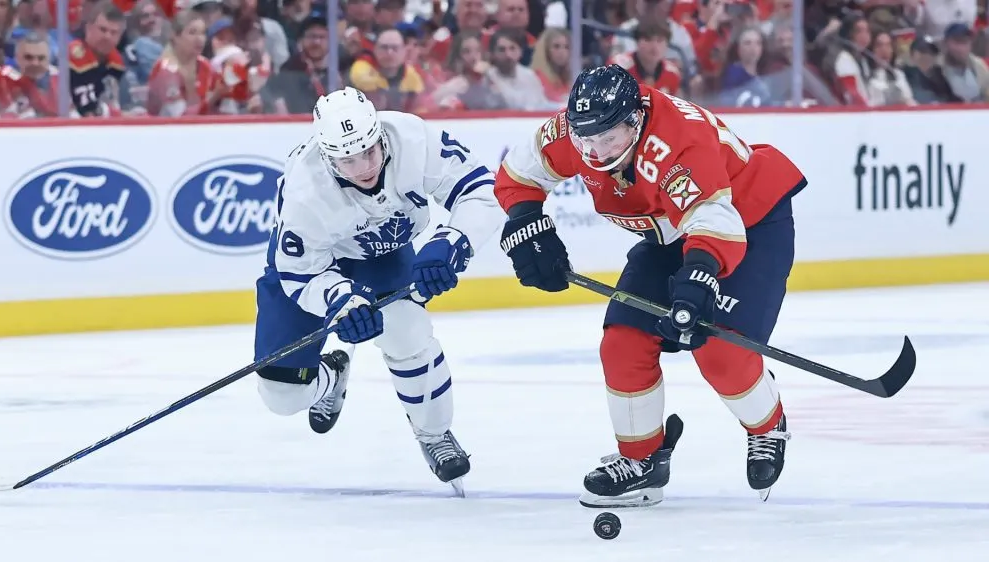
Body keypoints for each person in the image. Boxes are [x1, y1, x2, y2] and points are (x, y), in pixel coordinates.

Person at [494, 64, 805, 507]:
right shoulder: (578, 128)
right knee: (622, 341)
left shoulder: (678, 143)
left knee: (720, 350)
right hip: (672, 232)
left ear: (635, 120)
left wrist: (698, 279)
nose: (595, 152)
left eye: (608, 139)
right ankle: (642, 463)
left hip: (748, 223)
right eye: (586, 140)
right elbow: (519, 174)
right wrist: (527, 225)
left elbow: (713, 221)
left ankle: (767, 425)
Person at [253, 87, 502, 495]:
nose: (365, 167)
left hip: (380, 253)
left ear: (380, 134)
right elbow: (300, 273)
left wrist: (452, 240)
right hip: (312, 268)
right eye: (348, 160)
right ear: (328, 157)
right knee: (282, 394)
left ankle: (434, 433)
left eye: (370, 151)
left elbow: (480, 188)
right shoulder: (304, 190)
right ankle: (331, 375)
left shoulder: (412, 138)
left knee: (408, 331)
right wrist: (340, 301)